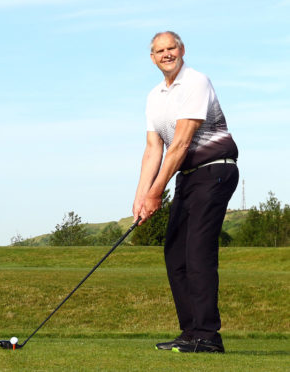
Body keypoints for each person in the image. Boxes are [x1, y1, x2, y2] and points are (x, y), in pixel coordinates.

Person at [132, 32, 238, 353]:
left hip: (216, 168)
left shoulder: (196, 81)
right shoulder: (154, 96)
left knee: (197, 253)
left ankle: (208, 335)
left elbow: (180, 143)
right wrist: (140, 196)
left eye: (171, 48)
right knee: (175, 253)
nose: (166, 54)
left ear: (182, 50)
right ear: (152, 58)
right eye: (159, 51)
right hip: (188, 177)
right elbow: (154, 148)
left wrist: (156, 193)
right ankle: (191, 332)